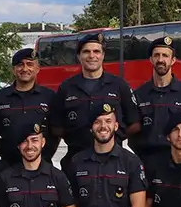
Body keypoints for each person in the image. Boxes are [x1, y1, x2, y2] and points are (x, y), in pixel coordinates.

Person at [48, 32, 140, 169]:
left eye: (96, 51)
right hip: (76, 160)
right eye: (86, 51)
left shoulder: (119, 85)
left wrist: (114, 136)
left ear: (102, 56)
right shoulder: (67, 87)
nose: (92, 56)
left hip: (113, 161)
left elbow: (135, 123)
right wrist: (75, 136)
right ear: (79, 56)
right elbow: (56, 126)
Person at [130, 36, 181, 165]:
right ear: (151, 59)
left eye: (165, 56)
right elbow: (132, 132)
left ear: (173, 60)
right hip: (146, 161)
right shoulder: (139, 94)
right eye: (157, 55)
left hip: (176, 162)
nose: (160, 60)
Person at [0, 48, 57, 164]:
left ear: (37, 69)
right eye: (20, 65)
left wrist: (46, 155)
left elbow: (55, 134)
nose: (25, 69)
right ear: (13, 70)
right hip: (9, 167)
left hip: (42, 167)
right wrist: (6, 155)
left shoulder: (49, 97)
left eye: (30, 64)